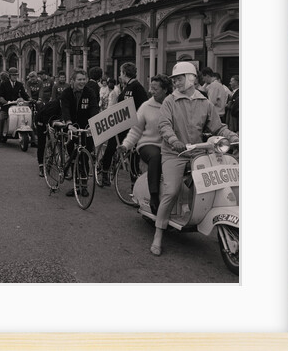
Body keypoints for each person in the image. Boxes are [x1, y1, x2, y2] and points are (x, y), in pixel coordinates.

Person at [151, 61, 239, 256]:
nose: (175, 83)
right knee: (171, 190)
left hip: (198, 152)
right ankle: (159, 232)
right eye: (174, 80)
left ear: (191, 78)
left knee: (216, 181)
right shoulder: (169, 101)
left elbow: (217, 127)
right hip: (174, 152)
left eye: (179, 79)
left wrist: (233, 137)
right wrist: (174, 141)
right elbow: (164, 125)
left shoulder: (205, 102)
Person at [118, 74, 173, 214]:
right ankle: (154, 196)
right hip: (149, 144)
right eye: (151, 88)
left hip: (172, 145)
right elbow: (136, 130)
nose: (151, 91)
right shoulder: (146, 106)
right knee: (156, 156)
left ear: (165, 90)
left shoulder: (175, 104)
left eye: (155, 89)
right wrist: (126, 145)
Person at [100, 62, 149, 186]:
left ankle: (134, 182)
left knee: (133, 153)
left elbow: (143, 106)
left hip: (133, 127)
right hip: (121, 124)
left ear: (124, 73)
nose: (120, 75)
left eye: (121, 72)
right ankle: (104, 173)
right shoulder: (126, 87)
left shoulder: (137, 87)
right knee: (111, 146)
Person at [60, 69, 100, 197]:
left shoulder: (90, 92)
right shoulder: (66, 93)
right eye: (79, 79)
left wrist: (92, 124)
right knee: (73, 156)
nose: (82, 82)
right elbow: (65, 108)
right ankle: (76, 186)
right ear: (72, 81)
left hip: (85, 128)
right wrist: (69, 123)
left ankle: (84, 186)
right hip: (71, 127)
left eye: (84, 79)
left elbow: (94, 108)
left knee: (84, 156)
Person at [0, 67, 29, 149]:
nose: (15, 77)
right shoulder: (4, 84)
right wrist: (5, 102)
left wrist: (29, 99)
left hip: (16, 106)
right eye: (13, 75)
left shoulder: (19, 84)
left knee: (26, 117)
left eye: (16, 75)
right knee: (1, 119)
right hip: (6, 106)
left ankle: (33, 140)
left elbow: (24, 95)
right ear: (10, 76)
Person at [35, 98, 62, 177]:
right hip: (41, 120)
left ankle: (52, 154)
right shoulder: (54, 105)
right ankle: (41, 165)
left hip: (53, 120)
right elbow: (45, 116)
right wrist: (48, 125)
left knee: (55, 138)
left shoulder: (65, 106)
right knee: (41, 142)